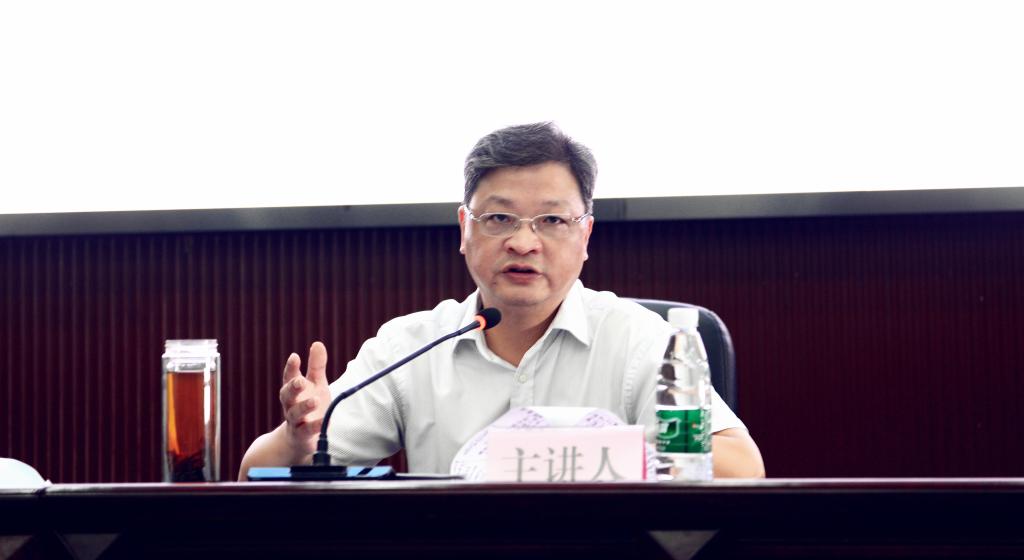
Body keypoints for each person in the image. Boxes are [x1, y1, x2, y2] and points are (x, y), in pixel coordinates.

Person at [238, 122, 764, 479]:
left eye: (552, 220)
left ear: (585, 235)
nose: (523, 242)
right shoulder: (411, 346)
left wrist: (581, 455)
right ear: (465, 229)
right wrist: (299, 441)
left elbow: (741, 467)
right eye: (499, 218)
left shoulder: (640, 340)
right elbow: (255, 472)